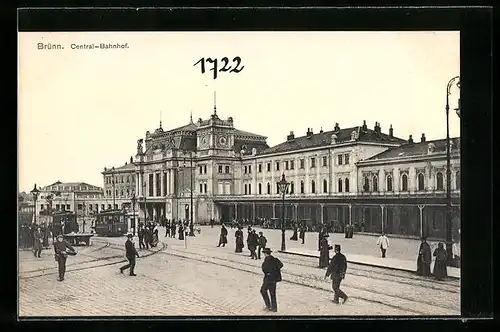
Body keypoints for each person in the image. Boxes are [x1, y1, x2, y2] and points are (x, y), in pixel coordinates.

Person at [260, 248, 283, 312]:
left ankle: (268, 306)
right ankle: (274, 308)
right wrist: (275, 271)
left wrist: (269, 272)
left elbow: (264, 268)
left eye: (264, 253)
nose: (264, 254)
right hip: (274, 279)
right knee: (272, 293)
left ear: (266, 253)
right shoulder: (274, 259)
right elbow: (281, 265)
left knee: (263, 290)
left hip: (268, 279)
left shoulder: (267, 260)